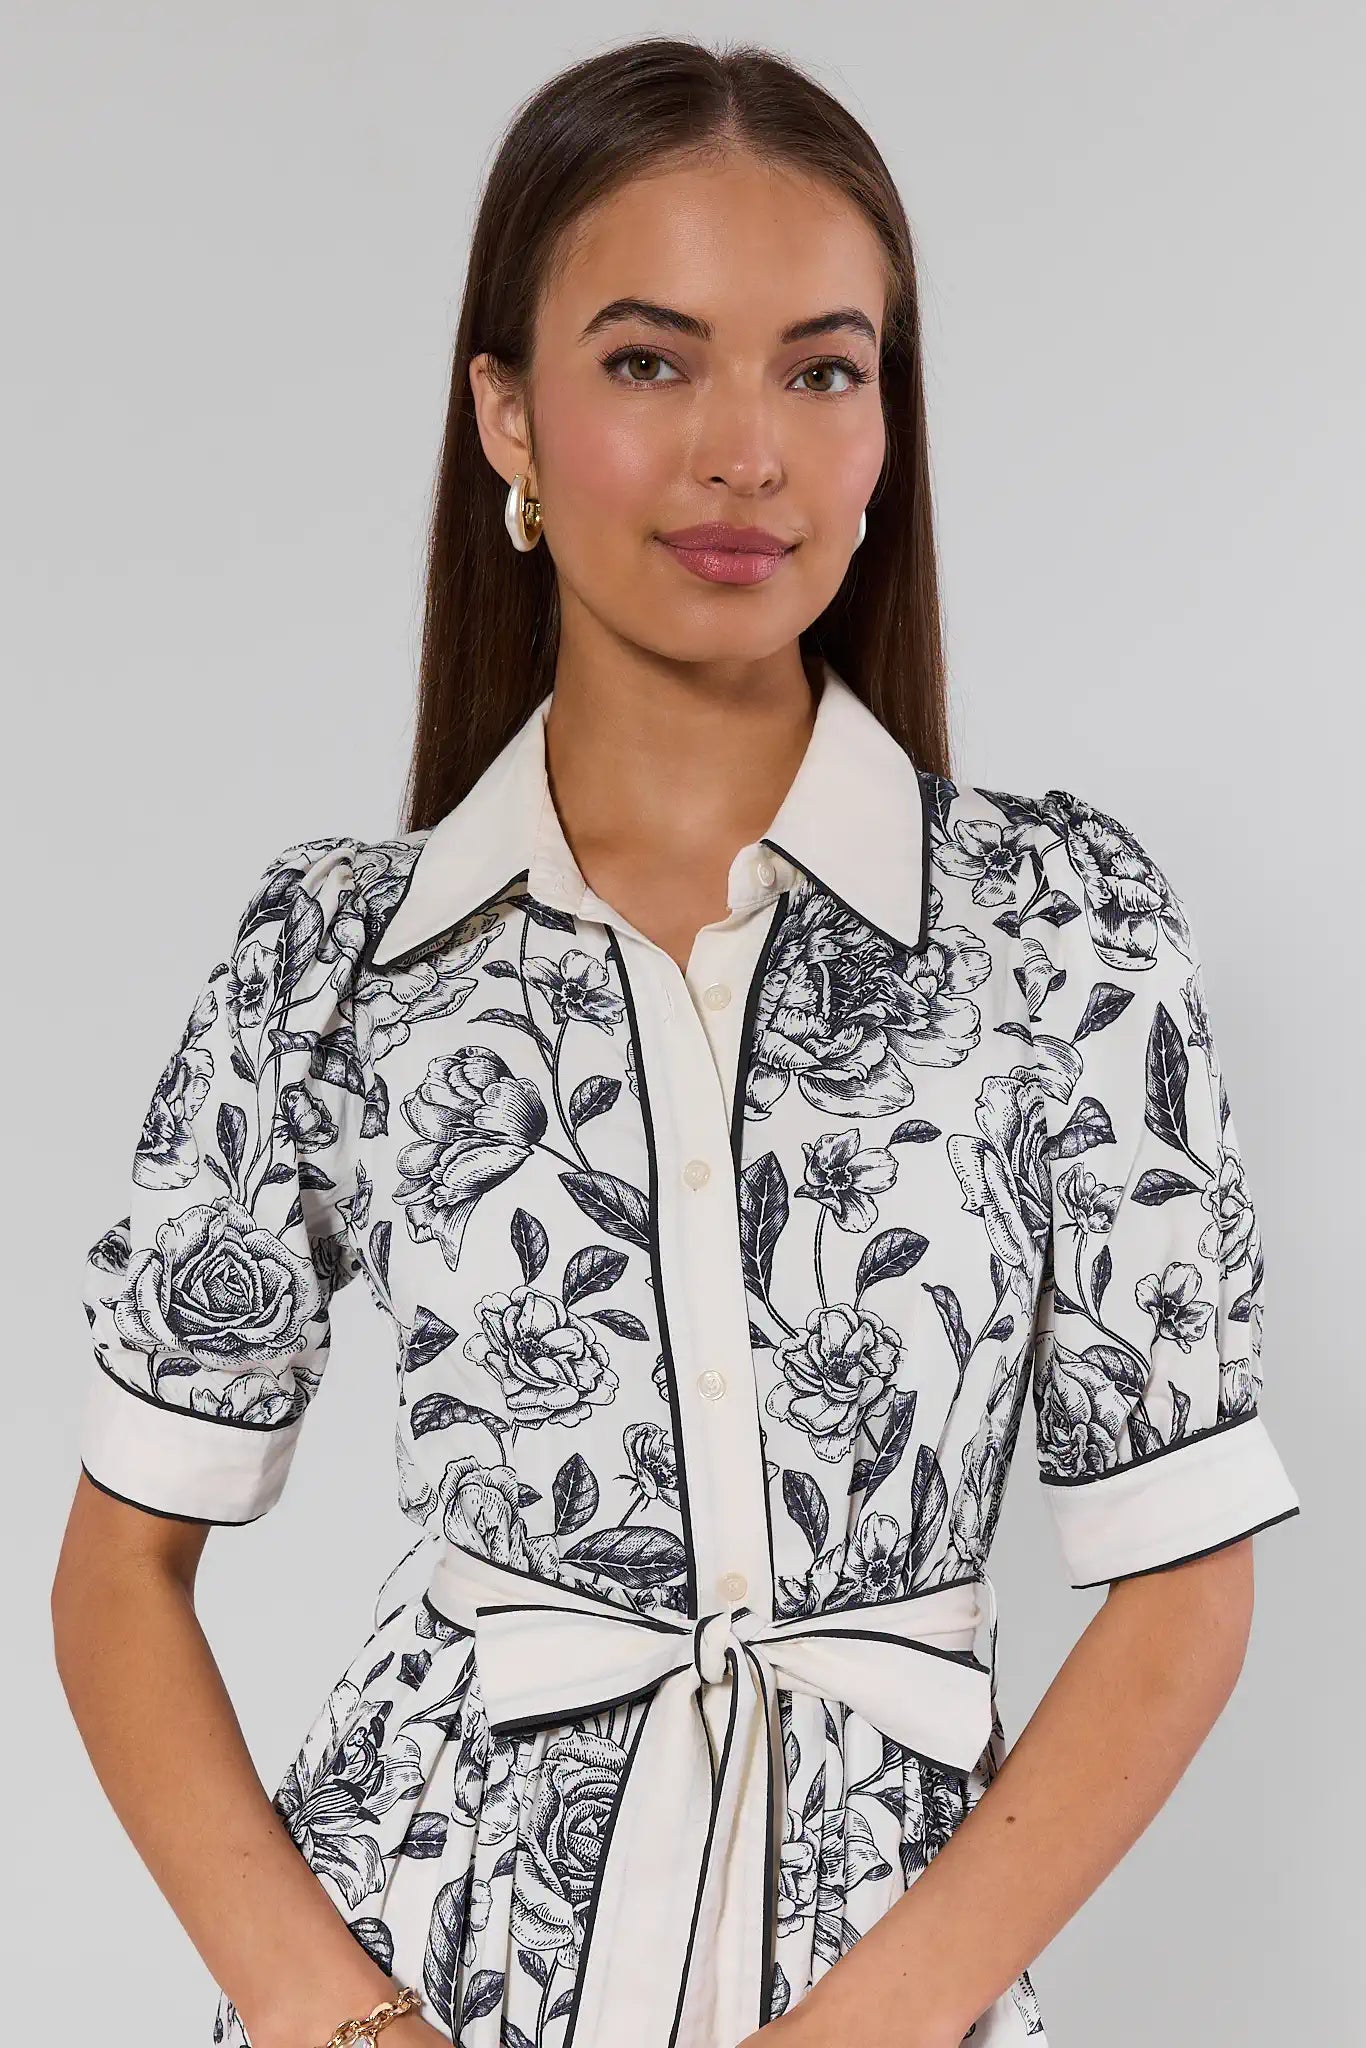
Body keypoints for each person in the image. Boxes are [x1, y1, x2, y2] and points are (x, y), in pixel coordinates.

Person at [51, 34, 1302, 2048]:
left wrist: (873, 2025)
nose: (747, 452)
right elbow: (116, 1574)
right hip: (429, 1964)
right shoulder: (337, 959)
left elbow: (1182, 1584)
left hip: (886, 1984)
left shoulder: (1061, 929)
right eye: (648, 361)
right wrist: (329, 2016)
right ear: (507, 415)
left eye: (821, 371)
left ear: (885, 426)